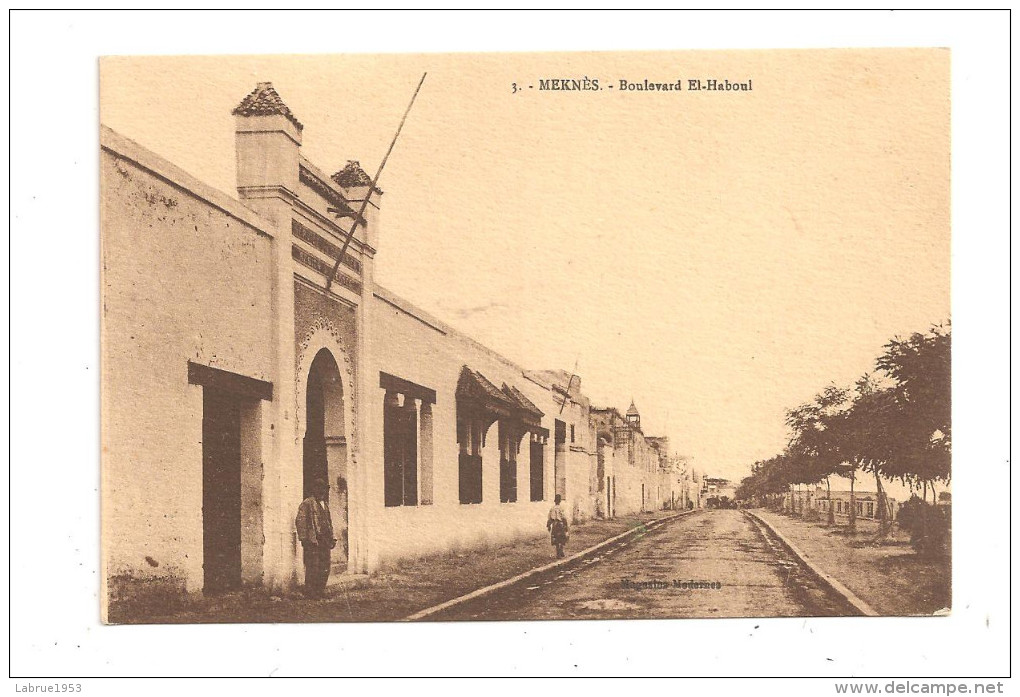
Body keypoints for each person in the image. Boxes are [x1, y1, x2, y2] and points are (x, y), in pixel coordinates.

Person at [295, 478, 336, 598]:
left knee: (325, 566)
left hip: (325, 540)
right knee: (313, 566)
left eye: (323, 488)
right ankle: (311, 592)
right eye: (318, 488)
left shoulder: (325, 504)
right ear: (314, 489)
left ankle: (320, 591)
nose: (321, 491)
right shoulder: (307, 503)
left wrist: (332, 538)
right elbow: (300, 521)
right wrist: (304, 539)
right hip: (313, 540)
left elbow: (329, 522)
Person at [547, 494, 569, 558]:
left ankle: (558, 553)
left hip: (554, 524)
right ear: (560, 501)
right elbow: (564, 517)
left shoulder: (552, 508)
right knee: (562, 537)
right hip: (560, 524)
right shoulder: (561, 508)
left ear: (555, 501)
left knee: (556, 538)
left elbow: (550, 518)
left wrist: (548, 525)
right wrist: (566, 525)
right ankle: (561, 550)